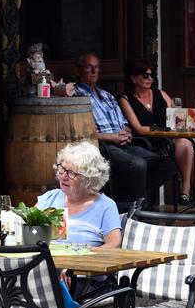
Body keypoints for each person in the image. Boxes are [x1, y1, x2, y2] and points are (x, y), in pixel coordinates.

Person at [73, 53, 176, 205]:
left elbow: (124, 123)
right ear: (79, 70)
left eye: (96, 67)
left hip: (124, 143)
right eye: (89, 67)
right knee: (138, 164)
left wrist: (127, 132)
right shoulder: (75, 96)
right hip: (103, 147)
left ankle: (131, 202)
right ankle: (141, 213)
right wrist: (112, 137)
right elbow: (82, 134)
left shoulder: (106, 95)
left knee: (167, 164)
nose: (94, 71)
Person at [118, 56, 194, 204]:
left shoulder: (161, 94)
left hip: (169, 140)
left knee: (189, 146)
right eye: (145, 75)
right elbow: (138, 128)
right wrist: (161, 130)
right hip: (147, 144)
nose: (149, 79)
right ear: (134, 78)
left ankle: (186, 189)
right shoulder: (125, 99)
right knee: (189, 149)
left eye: (151, 75)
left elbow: (177, 116)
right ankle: (190, 193)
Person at [36, 142, 121, 249]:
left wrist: (86, 255)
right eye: (62, 169)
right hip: (46, 263)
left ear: (89, 179)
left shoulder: (105, 206)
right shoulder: (50, 198)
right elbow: (26, 230)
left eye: (71, 173)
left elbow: (114, 244)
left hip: (85, 264)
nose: (63, 176)